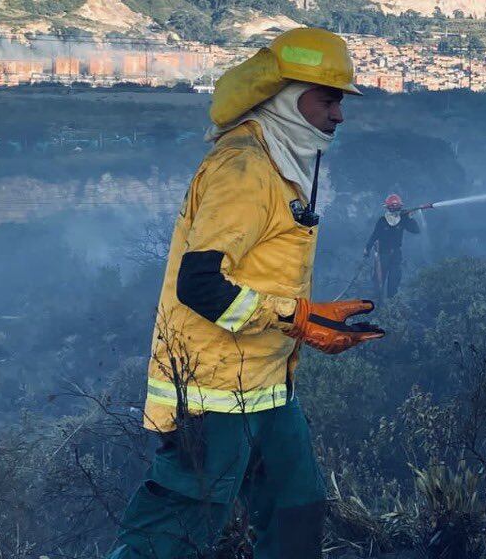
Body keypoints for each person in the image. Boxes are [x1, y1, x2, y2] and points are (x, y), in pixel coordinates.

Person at [107, 28, 385, 559]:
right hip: (213, 391)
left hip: (268, 388)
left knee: (296, 510)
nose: (339, 115)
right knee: (174, 534)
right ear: (285, 95)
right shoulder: (244, 168)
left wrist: (304, 318)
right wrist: (298, 318)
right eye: (328, 98)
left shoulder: (281, 161)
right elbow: (201, 283)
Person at [365, 193, 421, 299]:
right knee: (378, 283)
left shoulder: (403, 220)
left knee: (394, 283)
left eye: (396, 206)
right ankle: (375, 305)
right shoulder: (382, 221)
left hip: (396, 255)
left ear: (400, 207)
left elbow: (416, 230)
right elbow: (374, 235)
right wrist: (367, 248)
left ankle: (391, 307)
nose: (394, 209)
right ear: (387, 207)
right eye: (392, 206)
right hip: (382, 255)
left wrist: (409, 218)